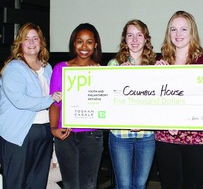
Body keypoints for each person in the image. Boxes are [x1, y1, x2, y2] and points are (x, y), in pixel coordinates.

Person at [154, 10, 203, 189]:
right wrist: (156, 76)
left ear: (192, 32)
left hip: (196, 134)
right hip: (166, 134)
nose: (178, 34)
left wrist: (180, 121)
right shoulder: (161, 60)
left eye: (183, 29)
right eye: (173, 30)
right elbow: (155, 100)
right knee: (169, 184)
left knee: (194, 184)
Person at [0, 22, 62, 189]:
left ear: (41, 42)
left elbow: (59, 97)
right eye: (26, 39)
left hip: (44, 132)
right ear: (20, 43)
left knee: (37, 183)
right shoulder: (14, 68)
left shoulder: (47, 67)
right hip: (20, 135)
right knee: (16, 183)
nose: (32, 42)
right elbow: (20, 100)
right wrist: (50, 99)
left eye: (35, 38)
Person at [49, 23, 104, 189]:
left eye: (89, 42)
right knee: (70, 184)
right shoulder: (60, 69)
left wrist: (102, 79)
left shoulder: (101, 72)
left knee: (89, 185)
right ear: (74, 43)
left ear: (95, 45)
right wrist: (53, 129)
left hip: (92, 135)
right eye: (80, 41)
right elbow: (54, 103)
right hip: (66, 134)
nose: (84, 47)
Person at [107, 19, 157, 189]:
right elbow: (109, 101)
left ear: (146, 39)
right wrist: (120, 77)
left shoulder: (155, 66)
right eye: (130, 35)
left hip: (147, 135)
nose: (135, 40)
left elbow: (160, 101)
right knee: (124, 185)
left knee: (140, 184)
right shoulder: (114, 65)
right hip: (120, 135)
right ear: (124, 39)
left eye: (139, 35)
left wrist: (165, 73)